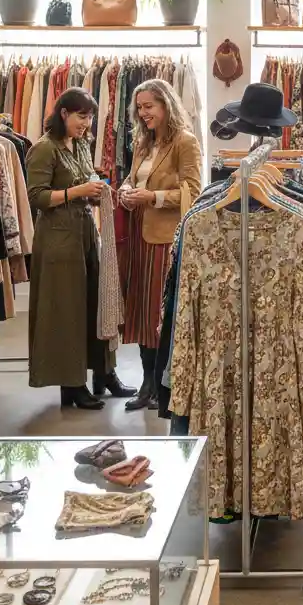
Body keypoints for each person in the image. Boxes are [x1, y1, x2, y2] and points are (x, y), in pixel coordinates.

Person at [26, 87, 122, 410]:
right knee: (67, 310)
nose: (87, 123)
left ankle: (104, 374)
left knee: (95, 303)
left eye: (90, 117)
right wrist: (79, 190)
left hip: (84, 233)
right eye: (82, 116)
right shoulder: (44, 149)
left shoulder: (80, 144)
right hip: (58, 240)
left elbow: (85, 180)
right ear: (64, 113)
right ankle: (72, 384)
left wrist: (96, 193)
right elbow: (37, 197)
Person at [117, 78, 202, 411]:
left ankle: (161, 385)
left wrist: (153, 197)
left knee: (158, 311)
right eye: (139, 107)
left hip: (165, 238)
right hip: (138, 234)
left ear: (166, 104)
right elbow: (132, 179)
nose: (143, 113)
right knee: (140, 310)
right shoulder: (143, 142)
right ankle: (147, 384)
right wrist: (126, 191)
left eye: (148, 106)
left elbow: (193, 192)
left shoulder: (185, 142)